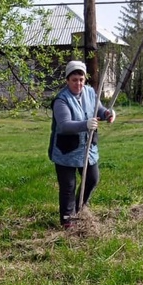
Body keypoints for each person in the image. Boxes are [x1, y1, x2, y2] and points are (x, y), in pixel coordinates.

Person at [48, 60, 115, 228]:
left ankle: (79, 208)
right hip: (66, 151)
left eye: (81, 79)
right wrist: (85, 124)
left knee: (92, 179)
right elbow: (64, 125)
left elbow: (98, 109)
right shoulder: (61, 100)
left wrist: (107, 113)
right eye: (74, 80)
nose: (78, 83)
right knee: (68, 187)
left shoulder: (91, 92)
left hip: (87, 148)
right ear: (67, 80)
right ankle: (67, 220)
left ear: (85, 79)